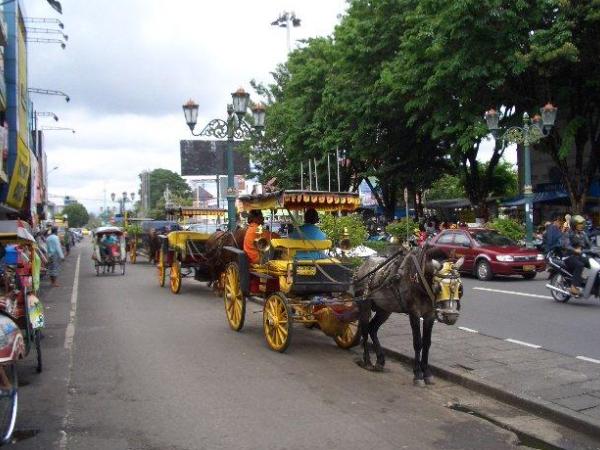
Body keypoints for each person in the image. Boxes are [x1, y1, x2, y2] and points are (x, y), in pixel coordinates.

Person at [564, 215, 592, 296]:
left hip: (581, 256)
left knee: (594, 263)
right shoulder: (568, 233)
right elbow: (566, 245)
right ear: (574, 224)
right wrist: (575, 250)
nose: (581, 225)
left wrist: (595, 249)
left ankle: (590, 283)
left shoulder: (583, 234)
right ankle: (573, 287)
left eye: (582, 224)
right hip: (569, 256)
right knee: (580, 265)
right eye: (579, 224)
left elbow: (590, 245)